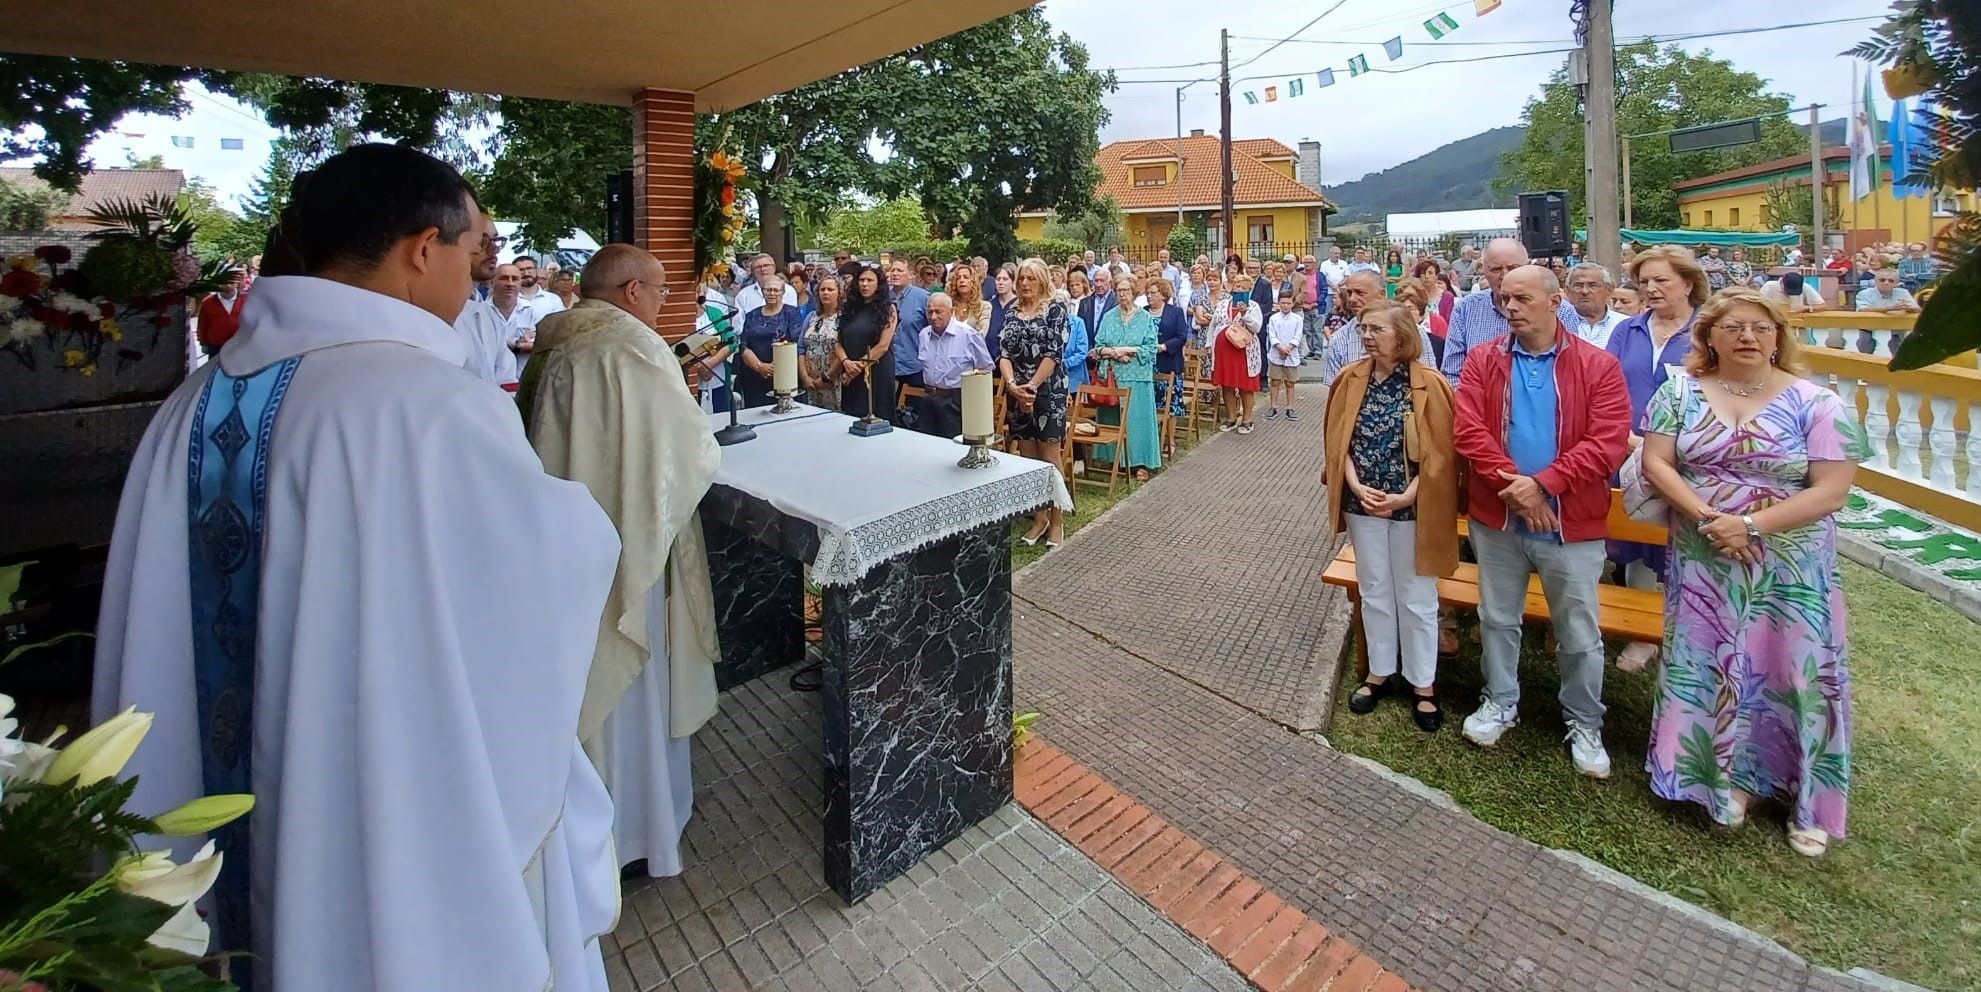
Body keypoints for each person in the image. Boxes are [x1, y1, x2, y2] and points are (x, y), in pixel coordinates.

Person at [93, 143, 622, 992]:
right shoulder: (424, 404)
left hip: (203, 809)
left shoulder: (189, 406)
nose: (476, 268)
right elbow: (549, 569)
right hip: (363, 790)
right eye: (471, 246)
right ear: (422, 249)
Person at [1637, 289, 1870, 857]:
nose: (1748, 337)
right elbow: (1656, 461)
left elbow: (1833, 490)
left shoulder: (1817, 403)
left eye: (1761, 328)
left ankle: (1805, 799)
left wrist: (1752, 525)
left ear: (1778, 338)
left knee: (1792, 672)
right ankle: (1722, 780)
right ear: (1708, 336)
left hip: (1788, 567)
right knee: (1710, 666)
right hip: (1705, 560)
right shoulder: (1679, 392)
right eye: (1735, 327)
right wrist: (1709, 517)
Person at [524, 245, 723, 888]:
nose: (664, 303)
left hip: (565, 552)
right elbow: (689, 451)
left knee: (586, 682)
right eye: (662, 291)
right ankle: (642, 827)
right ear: (633, 291)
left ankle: (592, 831)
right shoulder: (631, 346)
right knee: (631, 671)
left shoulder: (555, 345)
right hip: (628, 549)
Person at [1453, 265, 1632, 778]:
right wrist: (1517, 488)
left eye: (1522, 298)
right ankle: (1499, 700)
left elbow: (1607, 442)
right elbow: (1469, 430)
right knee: (1497, 617)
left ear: (1556, 303)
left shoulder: (1597, 366)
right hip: (1500, 518)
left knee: (1578, 628)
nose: (1510, 307)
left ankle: (1583, 719)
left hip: (1569, 521)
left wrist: (1545, 484)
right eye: (1504, 298)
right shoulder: (1486, 360)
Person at [1325, 299, 1461, 732]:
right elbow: (1336, 442)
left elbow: (1442, 455)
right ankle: (1379, 672)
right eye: (1364, 328)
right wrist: (1355, 484)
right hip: (1363, 502)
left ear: (1402, 336)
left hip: (1413, 506)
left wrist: (1405, 497)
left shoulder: (1429, 384)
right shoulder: (1350, 380)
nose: (1366, 336)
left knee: (1417, 595)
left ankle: (1423, 684)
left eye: (1376, 329)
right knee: (1375, 588)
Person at [1604, 245, 1709, 670]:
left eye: (1661, 280)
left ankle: (1689, 631)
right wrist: (1628, 439)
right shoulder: (1627, 331)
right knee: (1634, 536)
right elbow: (1606, 386)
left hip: (1691, 456)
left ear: (1687, 282)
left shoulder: (1708, 330)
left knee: (1682, 543)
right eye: (1644, 281)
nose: (1650, 289)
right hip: (1628, 448)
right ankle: (1641, 631)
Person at [1440, 238, 1582, 385]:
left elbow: (1573, 368)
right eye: (1495, 269)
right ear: (1483, 270)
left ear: (1527, 267)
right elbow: (1452, 373)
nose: (1504, 275)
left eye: (1513, 268)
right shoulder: (1466, 309)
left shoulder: (1561, 310)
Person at [1001, 259, 1068, 545]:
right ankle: (1038, 517)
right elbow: (1003, 353)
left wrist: (1032, 387)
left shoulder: (1056, 309)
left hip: (1048, 389)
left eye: (1031, 278)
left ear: (1042, 280)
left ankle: (1057, 521)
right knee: (1027, 457)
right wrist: (1014, 387)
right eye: (1022, 278)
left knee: (1049, 458)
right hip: (1017, 389)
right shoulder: (1011, 311)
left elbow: (1054, 354)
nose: (1025, 283)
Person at [1091, 273, 1162, 482]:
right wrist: (1114, 353)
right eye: (1119, 290)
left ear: (1134, 292)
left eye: (1126, 290)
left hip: (1138, 377)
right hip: (1113, 375)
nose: (1122, 294)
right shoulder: (1109, 316)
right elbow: (1098, 347)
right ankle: (1117, 461)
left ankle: (1141, 462)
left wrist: (1129, 350)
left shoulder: (1145, 318)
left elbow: (1151, 349)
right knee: (1113, 419)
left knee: (1138, 420)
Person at [1324, 270, 1437, 388]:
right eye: (1349, 293)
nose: (1352, 299)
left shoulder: (1415, 333)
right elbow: (1334, 393)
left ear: (1382, 294)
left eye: (1360, 293)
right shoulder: (1339, 340)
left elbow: (1430, 383)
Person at [834, 266, 897, 420]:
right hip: (849, 370)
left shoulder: (888, 310)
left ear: (878, 284)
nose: (865, 284)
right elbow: (838, 341)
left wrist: (855, 369)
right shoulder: (849, 309)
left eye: (869, 280)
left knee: (877, 415)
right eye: (861, 280)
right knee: (852, 416)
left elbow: (883, 346)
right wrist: (846, 362)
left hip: (876, 370)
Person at [735, 273, 805, 408]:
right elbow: (743, 345)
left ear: (783, 292)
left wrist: (776, 366)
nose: (772, 293)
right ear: (763, 292)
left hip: (784, 375)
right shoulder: (751, 315)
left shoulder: (792, 313)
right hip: (754, 375)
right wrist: (760, 366)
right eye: (768, 290)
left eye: (776, 290)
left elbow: (796, 343)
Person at [1209, 268, 1265, 435]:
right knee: (1227, 385)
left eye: (1244, 287)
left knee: (1245, 387)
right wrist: (1208, 343)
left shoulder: (1253, 306)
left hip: (1244, 353)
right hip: (1224, 352)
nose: (1239, 289)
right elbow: (1214, 325)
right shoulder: (1222, 304)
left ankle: (1247, 419)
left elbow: (1257, 327)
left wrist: (1244, 313)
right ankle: (1231, 417)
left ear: (1249, 290)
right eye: (1237, 286)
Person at [884, 259, 932, 425]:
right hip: (889, 366)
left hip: (914, 367)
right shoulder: (884, 298)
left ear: (911, 274)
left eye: (899, 270)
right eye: (892, 270)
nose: (895, 274)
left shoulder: (923, 298)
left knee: (913, 417)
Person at [1147, 278, 1192, 445]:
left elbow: (1182, 336)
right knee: (1151, 405)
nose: (1149, 296)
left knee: (1170, 405)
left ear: (1163, 295)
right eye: (1148, 293)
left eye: (1153, 293)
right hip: (1148, 365)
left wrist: (1164, 347)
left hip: (1169, 363)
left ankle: (1170, 441)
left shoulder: (1176, 312)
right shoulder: (1143, 312)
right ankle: (1152, 441)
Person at [490, 262, 543, 376]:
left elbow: (541, 344)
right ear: (492, 282)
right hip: (490, 380)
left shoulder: (532, 311)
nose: (510, 283)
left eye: (515, 279)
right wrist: (517, 343)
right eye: (504, 278)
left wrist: (502, 343)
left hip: (522, 379)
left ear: (520, 283)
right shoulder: (480, 313)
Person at [799, 273, 843, 410]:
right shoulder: (811, 317)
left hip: (833, 380)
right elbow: (801, 348)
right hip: (810, 381)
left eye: (830, 290)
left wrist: (826, 378)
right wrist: (805, 377)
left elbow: (843, 349)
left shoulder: (844, 318)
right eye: (822, 290)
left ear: (839, 293)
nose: (826, 293)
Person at [1263, 288, 1304, 421]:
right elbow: (1272, 335)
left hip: (1291, 355)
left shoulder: (1297, 319)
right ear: (1279, 303)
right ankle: (1273, 406)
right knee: (1275, 381)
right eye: (1283, 303)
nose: (1285, 305)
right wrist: (1279, 347)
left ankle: (1290, 407)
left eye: (1288, 303)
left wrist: (1289, 348)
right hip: (1276, 354)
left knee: (1290, 383)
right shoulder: (1274, 318)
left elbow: (1298, 336)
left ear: (1292, 303)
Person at [1565, 262, 1627, 349]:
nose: (1585, 291)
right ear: (1568, 291)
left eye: (1592, 286)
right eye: (1578, 285)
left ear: (1609, 290)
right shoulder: (1558, 323)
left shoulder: (1625, 324)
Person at [195, 268, 248, 354]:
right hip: (216, 346)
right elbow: (202, 325)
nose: (228, 285)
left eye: (231, 282)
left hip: (241, 345)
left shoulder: (247, 299)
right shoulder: (208, 302)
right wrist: (203, 343)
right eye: (224, 282)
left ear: (237, 283)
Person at [947, 262, 994, 349]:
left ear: (973, 282)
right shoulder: (948, 305)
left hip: (972, 352)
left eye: (966, 277)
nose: (961, 280)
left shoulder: (984, 306)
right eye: (958, 278)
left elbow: (981, 334)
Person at [514, 254, 566, 321]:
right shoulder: (508, 300)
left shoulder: (553, 300)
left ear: (537, 270)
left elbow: (561, 325)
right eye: (521, 270)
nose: (526, 273)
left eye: (529, 268)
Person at [1078, 265, 1116, 348]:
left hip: (1109, 350)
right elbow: (1080, 330)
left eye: (1102, 281)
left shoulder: (1117, 302)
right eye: (1096, 281)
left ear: (1110, 282)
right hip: (1088, 350)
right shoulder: (1084, 303)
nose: (1099, 284)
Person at [1856, 268, 1922, 313]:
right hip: (1868, 329)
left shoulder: (1903, 292)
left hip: (1897, 329)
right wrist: (1890, 308)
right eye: (1882, 280)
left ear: (1896, 283)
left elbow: (1918, 310)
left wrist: (1910, 308)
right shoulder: (1864, 293)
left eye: (1891, 281)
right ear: (1875, 281)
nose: (1886, 283)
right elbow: (1862, 310)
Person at [1762, 270, 1826, 312]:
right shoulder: (1769, 286)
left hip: (1798, 323)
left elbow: (1823, 306)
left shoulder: (1805, 287)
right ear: (1781, 282)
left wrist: (1806, 308)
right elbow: (1758, 304)